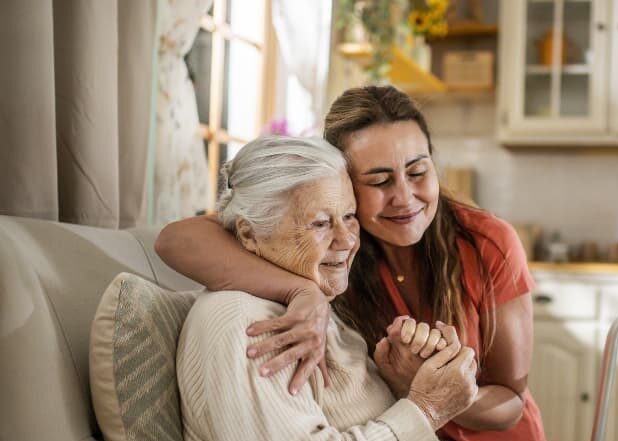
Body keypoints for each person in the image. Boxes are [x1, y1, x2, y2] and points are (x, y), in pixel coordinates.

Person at [157, 86, 546, 440]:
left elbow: (511, 399)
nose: (405, 197)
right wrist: (302, 292)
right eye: (378, 182)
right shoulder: (322, 263)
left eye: (418, 171)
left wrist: (435, 390)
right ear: (345, 182)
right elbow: (178, 238)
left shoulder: (483, 242)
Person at [176, 135, 477, 440]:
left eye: (349, 216)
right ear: (249, 234)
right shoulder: (247, 325)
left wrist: (400, 385)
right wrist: (426, 409)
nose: (347, 240)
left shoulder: (309, 305)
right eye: (320, 224)